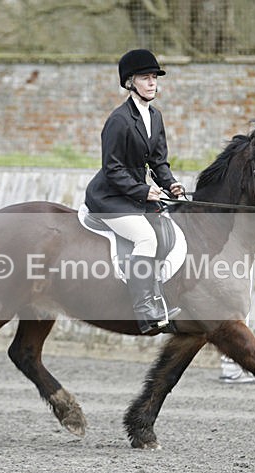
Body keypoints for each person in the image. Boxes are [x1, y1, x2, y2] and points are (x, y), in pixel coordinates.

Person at [85, 49, 184, 334]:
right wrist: (144, 191)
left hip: (133, 194)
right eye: (145, 78)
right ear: (130, 82)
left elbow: (158, 162)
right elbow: (112, 169)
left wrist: (170, 185)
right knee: (145, 237)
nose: (152, 83)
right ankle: (144, 311)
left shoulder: (155, 116)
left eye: (154, 77)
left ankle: (159, 296)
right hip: (109, 197)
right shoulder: (119, 120)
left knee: (165, 228)